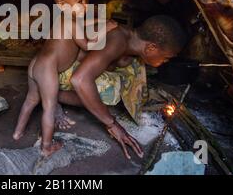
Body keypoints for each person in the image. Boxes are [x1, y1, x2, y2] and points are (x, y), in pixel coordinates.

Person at [58, 15, 187, 159]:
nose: (164, 62)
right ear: (151, 48)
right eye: (166, 58)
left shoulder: (129, 39)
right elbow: (80, 79)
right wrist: (112, 124)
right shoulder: (117, 40)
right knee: (108, 92)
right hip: (57, 70)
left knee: (133, 68)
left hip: (76, 66)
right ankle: (52, 95)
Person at [12, 0, 116, 157]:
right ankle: (46, 147)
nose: (85, 5)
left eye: (86, 1)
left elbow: (82, 27)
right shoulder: (72, 23)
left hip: (36, 64)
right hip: (47, 68)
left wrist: (99, 20)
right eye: (80, 1)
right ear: (61, 5)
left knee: (30, 101)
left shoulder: (63, 19)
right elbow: (88, 44)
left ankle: (17, 132)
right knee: (49, 108)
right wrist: (107, 27)